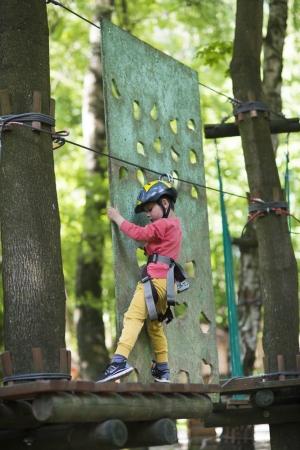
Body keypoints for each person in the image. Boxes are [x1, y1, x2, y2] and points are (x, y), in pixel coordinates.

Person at [96, 175, 183, 383]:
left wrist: (118, 218)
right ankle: (163, 369)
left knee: (133, 317)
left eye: (150, 210)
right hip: (169, 286)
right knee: (155, 326)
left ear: (165, 203)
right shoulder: (176, 227)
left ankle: (118, 362)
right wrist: (149, 249)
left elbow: (138, 233)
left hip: (156, 281)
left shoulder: (164, 224)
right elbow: (159, 247)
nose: (149, 216)